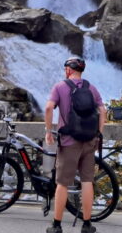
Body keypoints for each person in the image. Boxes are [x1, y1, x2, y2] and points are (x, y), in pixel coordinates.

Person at [44, 56, 106, 233]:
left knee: (63, 183)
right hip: (89, 140)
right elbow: (103, 111)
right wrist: (98, 132)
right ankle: (87, 225)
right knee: (87, 181)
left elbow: (49, 108)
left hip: (69, 141)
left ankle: (56, 225)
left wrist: (48, 131)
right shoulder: (91, 88)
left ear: (68, 70)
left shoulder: (60, 86)